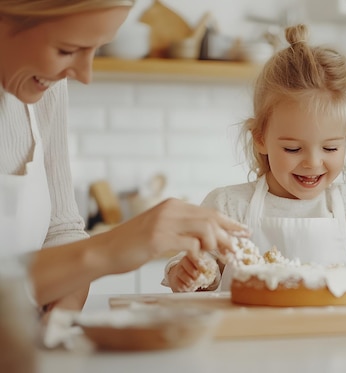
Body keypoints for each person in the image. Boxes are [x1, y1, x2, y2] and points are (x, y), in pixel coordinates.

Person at [0, 0, 248, 314]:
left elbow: (60, 230)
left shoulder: (44, 87)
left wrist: (60, 318)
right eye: (66, 50)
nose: (84, 75)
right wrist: (108, 250)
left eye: (96, 48)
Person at [163, 24, 346, 292]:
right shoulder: (230, 207)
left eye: (330, 149)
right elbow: (197, 263)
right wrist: (192, 272)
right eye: (293, 149)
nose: (313, 163)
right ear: (260, 138)